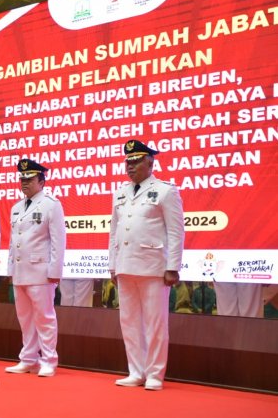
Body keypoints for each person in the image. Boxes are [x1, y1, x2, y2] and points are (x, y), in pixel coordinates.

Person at [108, 140, 184, 391]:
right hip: (125, 265)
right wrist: (112, 265)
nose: (130, 166)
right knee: (129, 322)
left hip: (153, 267)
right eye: (127, 161)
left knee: (155, 323)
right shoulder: (120, 191)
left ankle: (154, 374)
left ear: (150, 162)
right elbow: (114, 232)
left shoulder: (165, 190)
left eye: (135, 161)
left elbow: (175, 231)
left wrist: (173, 266)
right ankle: (136, 371)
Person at [5, 159, 66, 377]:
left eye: (29, 178)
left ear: (41, 181)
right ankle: (28, 358)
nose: (24, 182)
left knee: (45, 318)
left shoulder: (51, 204)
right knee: (25, 318)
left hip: (41, 271)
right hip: (21, 271)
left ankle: (49, 360)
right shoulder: (16, 207)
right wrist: (10, 269)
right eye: (22, 178)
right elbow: (14, 242)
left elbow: (59, 241)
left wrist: (55, 272)